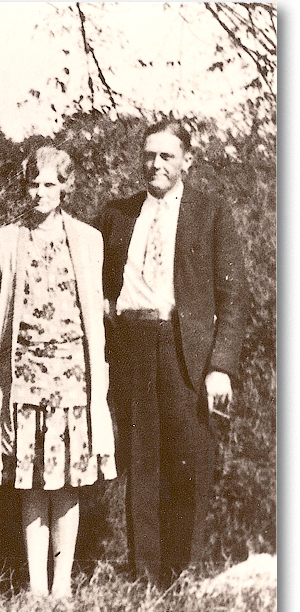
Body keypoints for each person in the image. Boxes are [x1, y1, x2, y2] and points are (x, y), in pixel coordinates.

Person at [98, 119, 244, 586]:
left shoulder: (210, 212)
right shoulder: (118, 214)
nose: (155, 164)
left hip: (186, 352)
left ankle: (183, 573)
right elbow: (94, 275)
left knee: (188, 459)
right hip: (131, 347)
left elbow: (233, 298)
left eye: (165, 155)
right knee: (140, 459)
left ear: (187, 160)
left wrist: (221, 366)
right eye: (148, 155)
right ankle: (144, 574)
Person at [0, 146, 115, 599]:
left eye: (49, 184)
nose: (40, 192)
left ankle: (62, 586)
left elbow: (95, 312)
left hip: (72, 377)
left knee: (66, 483)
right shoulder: (5, 238)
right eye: (33, 183)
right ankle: (36, 585)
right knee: (31, 483)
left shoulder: (86, 238)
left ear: (65, 187)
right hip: (23, 377)